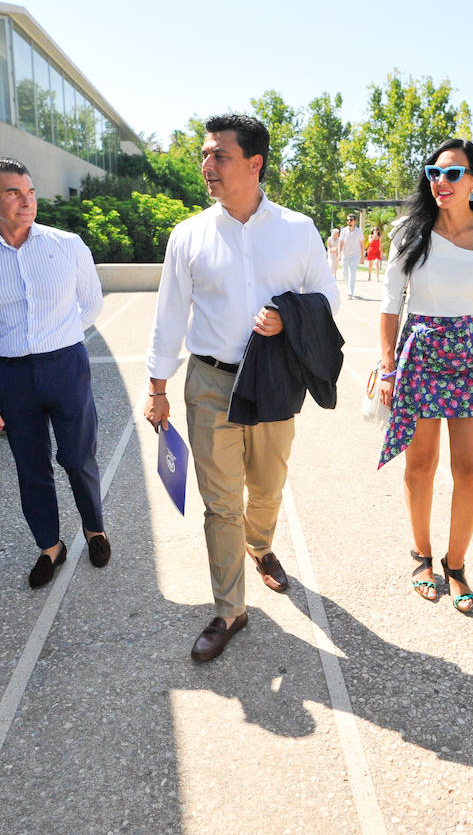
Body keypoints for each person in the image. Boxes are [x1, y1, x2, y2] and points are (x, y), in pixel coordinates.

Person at [145, 113, 339, 662]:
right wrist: (157, 388)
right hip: (209, 382)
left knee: (268, 485)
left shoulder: (298, 230)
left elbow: (328, 296)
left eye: (219, 155)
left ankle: (261, 545)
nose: (207, 165)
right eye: (205, 154)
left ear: (254, 164)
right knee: (221, 502)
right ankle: (230, 609)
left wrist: (287, 317)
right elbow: (168, 316)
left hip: (275, 379)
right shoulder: (189, 235)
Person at [0, 158, 110, 589]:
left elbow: (91, 302)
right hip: (13, 376)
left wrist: (59, 335)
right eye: (14, 193)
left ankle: (94, 529)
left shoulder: (67, 244)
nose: (27, 202)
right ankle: (50, 546)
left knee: (78, 457)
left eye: (31, 192)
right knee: (30, 465)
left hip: (66, 366)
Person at [376, 139, 473, 614]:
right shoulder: (408, 231)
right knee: (421, 465)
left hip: (472, 358)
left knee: (471, 471)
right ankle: (422, 556)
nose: (440, 181)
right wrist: (387, 368)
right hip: (420, 356)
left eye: (453, 173)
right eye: (434, 172)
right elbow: (390, 304)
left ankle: (456, 565)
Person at [340, 213, 364, 298]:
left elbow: (362, 244)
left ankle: (350, 291)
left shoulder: (359, 231)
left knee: (352, 273)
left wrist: (362, 256)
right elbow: (341, 243)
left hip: (355, 255)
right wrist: (339, 254)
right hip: (345, 255)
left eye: (351, 220)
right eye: (347, 220)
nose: (349, 222)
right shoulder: (344, 231)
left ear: (355, 221)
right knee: (344, 273)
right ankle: (349, 287)